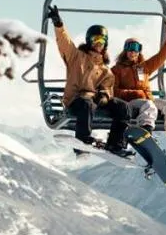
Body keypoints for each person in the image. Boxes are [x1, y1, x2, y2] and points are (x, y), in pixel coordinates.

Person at [48, 8, 133, 157]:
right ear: (89, 41)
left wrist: (104, 96)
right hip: (76, 101)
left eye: (102, 41)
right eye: (95, 40)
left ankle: (116, 144)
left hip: (95, 102)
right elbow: (64, 43)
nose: (98, 44)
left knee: (123, 107)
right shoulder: (76, 57)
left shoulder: (106, 70)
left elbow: (107, 88)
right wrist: (58, 24)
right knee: (87, 103)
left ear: (105, 44)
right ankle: (83, 143)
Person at [112, 19, 166, 150]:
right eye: (130, 48)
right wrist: (134, 93)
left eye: (136, 48)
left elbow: (161, 56)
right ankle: (145, 130)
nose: (133, 52)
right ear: (125, 51)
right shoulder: (117, 70)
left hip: (148, 101)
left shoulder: (144, 67)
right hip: (130, 104)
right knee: (148, 105)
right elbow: (114, 91)